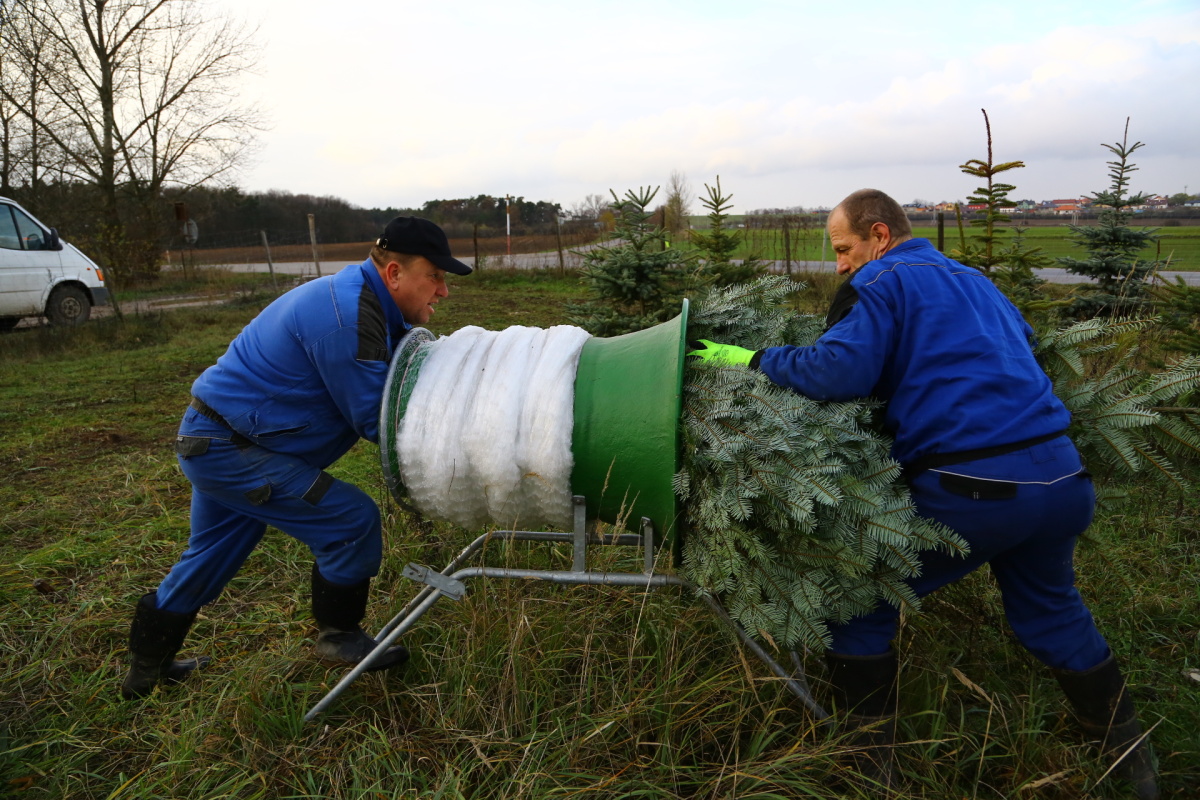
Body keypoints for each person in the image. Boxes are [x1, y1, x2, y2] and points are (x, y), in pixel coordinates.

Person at [689, 189, 1157, 798]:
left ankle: (868, 773)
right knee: (1052, 610)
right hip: (1062, 479)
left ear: (879, 235)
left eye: (843, 249)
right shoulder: (976, 281)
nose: (840, 265)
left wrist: (750, 359)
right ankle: (1134, 766)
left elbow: (836, 372)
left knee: (857, 601)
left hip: (976, 490)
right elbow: (1018, 345)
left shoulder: (881, 281)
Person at [120, 216, 472, 701]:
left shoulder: (363, 302)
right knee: (350, 520)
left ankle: (145, 674)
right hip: (230, 449)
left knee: (209, 555)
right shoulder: (347, 317)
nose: (443, 291)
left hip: (220, 439)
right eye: (435, 276)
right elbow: (380, 420)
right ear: (394, 273)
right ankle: (339, 635)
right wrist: (467, 441)